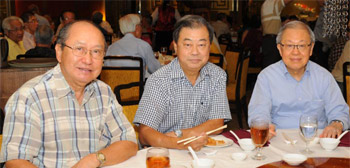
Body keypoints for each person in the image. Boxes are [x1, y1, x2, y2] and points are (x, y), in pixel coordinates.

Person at [0, 20, 138, 168]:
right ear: (59, 51)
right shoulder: (30, 97)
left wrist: (96, 159)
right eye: (79, 49)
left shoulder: (103, 92)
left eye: (96, 52)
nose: (88, 59)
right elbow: (15, 165)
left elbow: (129, 142)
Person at [134, 15, 231, 151]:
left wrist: (181, 135)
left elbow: (217, 122)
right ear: (175, 47)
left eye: (201, 45)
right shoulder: (159, 80)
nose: (195, 52)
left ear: (210, 47)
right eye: (188, 45)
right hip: (164, 153)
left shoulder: (217, 75)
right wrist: (180, 144)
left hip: (203, 151)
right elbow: (145, 134)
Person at [248, 20, 349, 139]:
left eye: (301, 45)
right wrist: (264, 127)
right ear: (280, 49)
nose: (295, 52)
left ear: (311, 48)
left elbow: (340, 112)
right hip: (278, 141)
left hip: (317, 143)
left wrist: (337, 124)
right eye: (289, 45)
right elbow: (259, 112)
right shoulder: (266, 77)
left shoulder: (324, 77)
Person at [105, 14, 161, 79]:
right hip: (136, 88)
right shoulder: (143, 45)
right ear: (137, 28)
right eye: (141, 26)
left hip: (114, 87)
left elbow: (107, 70)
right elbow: (155, 70)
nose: (142, 29)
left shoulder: (111, 47)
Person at [261, 0, 292, 68]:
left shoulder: (266, 4)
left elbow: (270, 25)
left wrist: (282, 25)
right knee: (271, 67)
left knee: (269, 66)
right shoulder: (272, 2)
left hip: (267, 40)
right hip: (272, 41)